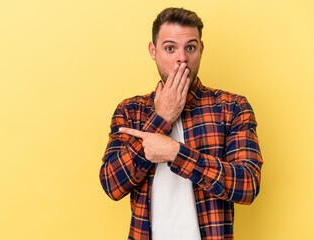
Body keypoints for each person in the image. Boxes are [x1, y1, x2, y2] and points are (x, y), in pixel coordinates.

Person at [99, 7, 263, 240]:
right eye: (170, 48)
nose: (182, 58)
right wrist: (161, 118)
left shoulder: (231, 107)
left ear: (201, 50)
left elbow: (247, 185)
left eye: (191, 47)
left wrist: (176, 153)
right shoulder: (130, 110)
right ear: (153, 51)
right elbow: (111, 184)